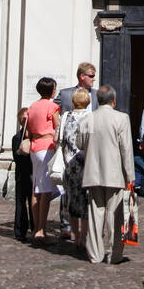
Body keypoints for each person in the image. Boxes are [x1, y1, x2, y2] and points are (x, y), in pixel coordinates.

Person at [76, 85, 135, 264]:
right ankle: (113, 254)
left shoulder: (88, 118)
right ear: (113, 100)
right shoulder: (121, 118)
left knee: (95, 214)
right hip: (115, 173)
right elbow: (126, 150)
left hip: (93, 173)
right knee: (114, 215)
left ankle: (95, 254)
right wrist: (130, 176)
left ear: (97, 100)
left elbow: (79, 144)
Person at [55, 64, 97, 237]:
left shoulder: (96, 94)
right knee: (68, 193)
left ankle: (81, 232)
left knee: (85, 195)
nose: (94, 79)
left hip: (88, 156)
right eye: (91, 76)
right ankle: (66, 225)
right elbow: (52, 110)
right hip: (70, 157)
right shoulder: (65, 94)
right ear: (81, 76)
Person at [26, 76, 61, 242]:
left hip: (34, 146)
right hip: (47, 146)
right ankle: (41, 228)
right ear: (51, 90)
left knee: (36, 188)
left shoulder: (32, 106)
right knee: (45, 190)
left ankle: (36, 227)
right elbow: (57, 127)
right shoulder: (52, 106)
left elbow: (27, 131)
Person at [61, 88, 93, 251]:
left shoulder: (65, 117)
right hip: (87, 165)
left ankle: (75, 234)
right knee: (87, 202)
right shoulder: (91, 117)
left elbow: (58, 139)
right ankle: (84, 236)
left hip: (70, 166)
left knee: (72, 202)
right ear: (87, 101)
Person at [11, 107, 34, 241]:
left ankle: (35, 227)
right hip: (22, 175)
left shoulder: (33, 136)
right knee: (20, 203)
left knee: (33, 203)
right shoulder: (17, 138)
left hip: (32, 173)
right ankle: (20, 230)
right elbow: (16, 157)